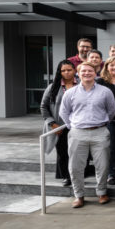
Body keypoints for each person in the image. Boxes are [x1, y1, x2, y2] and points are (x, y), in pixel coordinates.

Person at [58, 61, 115, 208]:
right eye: (83, 71)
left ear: (95, 73)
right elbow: (63, 112)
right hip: (77, 133)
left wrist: (103, 123)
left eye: (90, 71)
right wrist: (72, 126)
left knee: (103, 165)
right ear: (78, 73)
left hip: (100, 132)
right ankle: (79, 195)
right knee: (75, 166)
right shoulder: (70, 93)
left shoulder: (105, 91)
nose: (87, 73)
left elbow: (111, 111)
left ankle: (102, 192)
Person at [41, 59, 77, 187]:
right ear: (59, 72)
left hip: (77, 126)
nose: (66, 72)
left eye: (69, 70)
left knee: (76, 152)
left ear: (74, 70)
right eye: (63, 70)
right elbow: (43, 107)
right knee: (62, 153)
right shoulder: (53, 87)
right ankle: (66, 176)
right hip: (60, 126)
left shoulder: (81, 85)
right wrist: (52, 124)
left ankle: (77, 176)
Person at [96, 56, 115, 185]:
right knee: (112, 147)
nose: (114, 67)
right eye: (111, 65)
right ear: (106, 67)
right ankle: (111, 174)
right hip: (109, 120)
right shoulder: (101, 82)